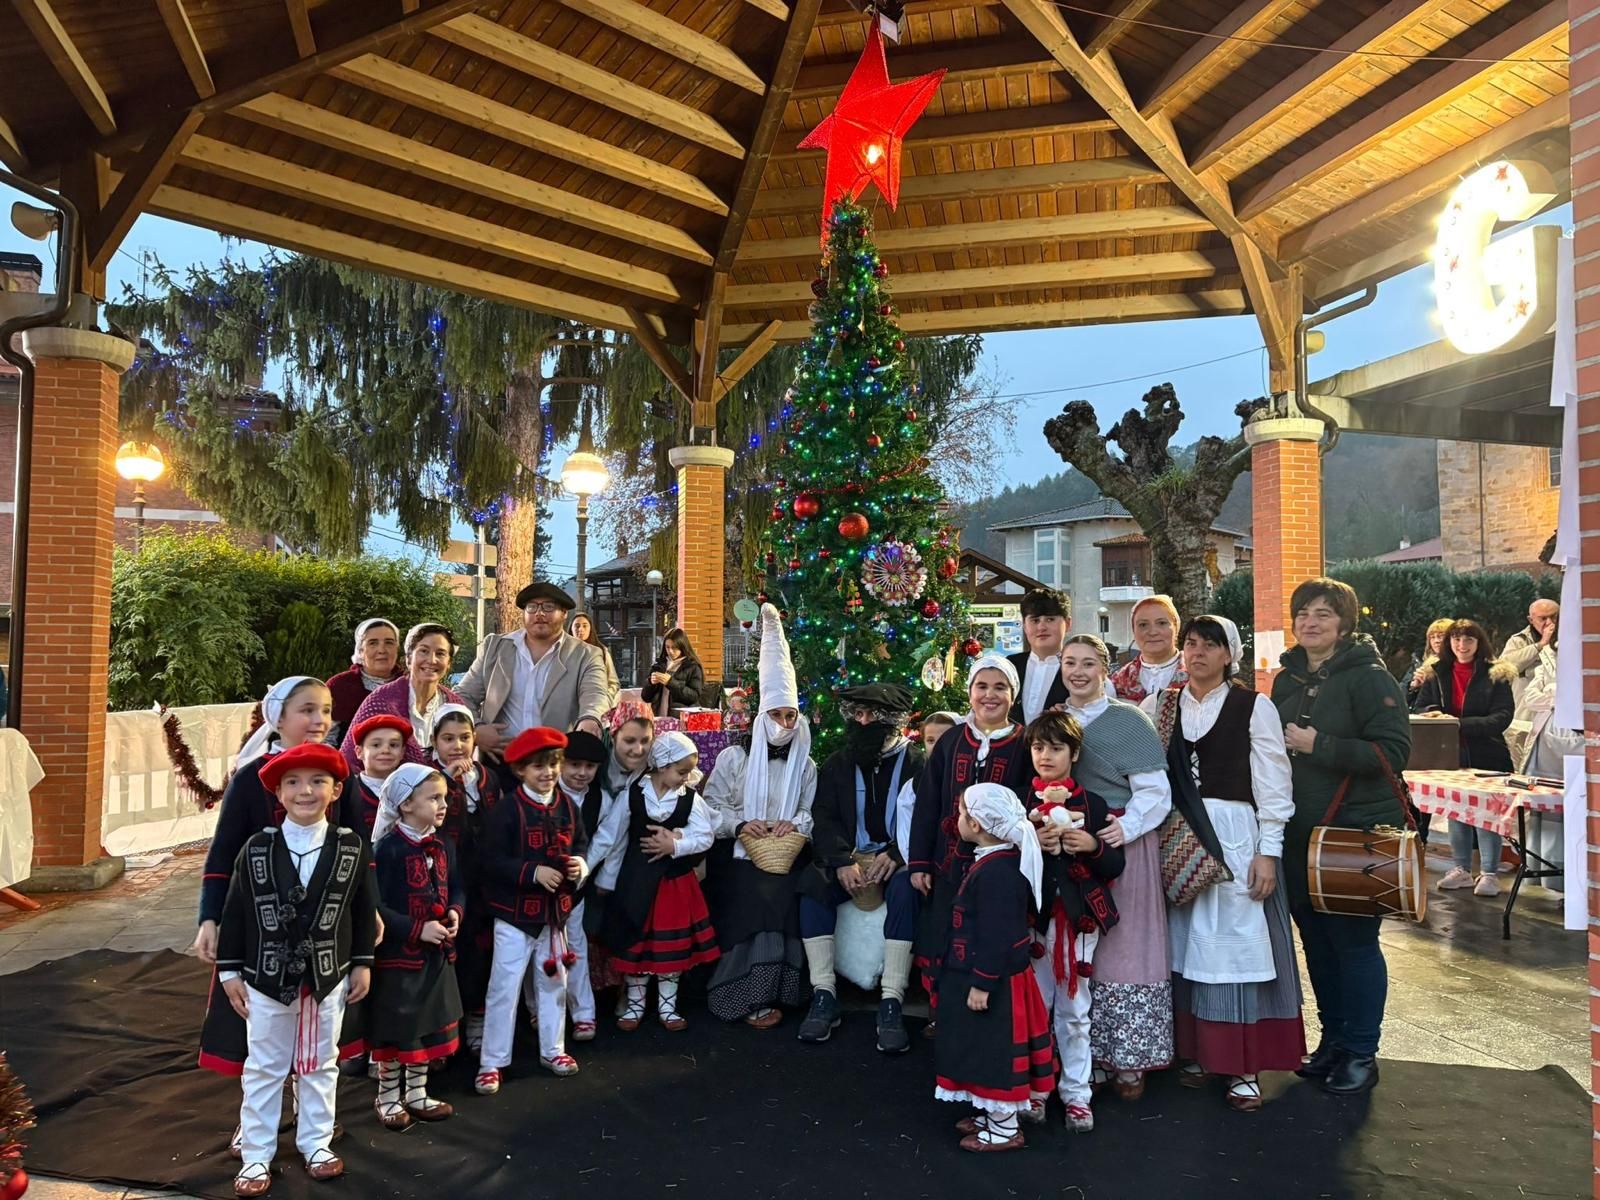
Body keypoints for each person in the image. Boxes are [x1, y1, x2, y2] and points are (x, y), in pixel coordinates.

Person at [1142, 616, 1304, 1112]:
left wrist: (1268, 851)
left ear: (1229, 655)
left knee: (1233, 952)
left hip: (1234, 839)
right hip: (1175, 840)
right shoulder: (1160, 705)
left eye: (1209, 646)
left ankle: (1242, 1065)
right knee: (1183, 949)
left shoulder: (1254, 707)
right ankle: (1193, 1052)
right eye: (1190, 644)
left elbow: (1274, 784)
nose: (1197, 654)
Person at [214, 743, 377, 1196]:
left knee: (321, 1061)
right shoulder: (257, 848)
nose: (305, 790)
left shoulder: (350, 847)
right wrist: (230, 972)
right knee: (265, 1064)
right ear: (278, 794)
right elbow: (237, 912)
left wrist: (362, 962)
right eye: (293, 782)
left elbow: (363, 911)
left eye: (317, 781)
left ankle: (316, 1142)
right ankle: (257, 1153)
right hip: (265, 977)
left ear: (336, 789)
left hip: (328, 976)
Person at [1272, 577, 1410, 1096]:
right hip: (1298, 833)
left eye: (1324, 614)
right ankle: (1332, 1042)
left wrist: (1319, 744)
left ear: (1345, 623)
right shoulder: (1285, 680)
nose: (1311, 621)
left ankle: (1361, 1052)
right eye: (1304, 612)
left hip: (1352, 834)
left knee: (1354, 946)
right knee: (1317, 945)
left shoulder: (1370, 677)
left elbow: (1393, 753)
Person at [1059, 634, 1173, 1100]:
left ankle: (1129, 1057)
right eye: (1070, 663)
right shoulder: (1055, 722)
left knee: (1126, 947)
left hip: (1123, 844)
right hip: (1070, 846)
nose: (1078, 672)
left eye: (1089, 663)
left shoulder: (1129, 720)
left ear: (1106, 670)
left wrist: (1122, 831)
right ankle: (1088, 1054)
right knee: (1084, 949)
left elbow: (1155, 792)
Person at [704, 605, 817, 1029]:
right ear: (761, 716)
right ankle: (743, 992)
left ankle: (783, 991)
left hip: (786, 855)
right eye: (776, 715)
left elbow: (809, 809)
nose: (785, 724)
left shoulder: (805, 765)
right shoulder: (735, 758)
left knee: (785, 896)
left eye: (790, 716)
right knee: (754, 899)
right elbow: (711, 808)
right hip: (737, 854)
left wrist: (795, 826)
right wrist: (740, 824)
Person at [909, 655, 1032, 1032]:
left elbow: (1029, 800)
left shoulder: (1024, 743)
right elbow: (928, 802)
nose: (990, 695)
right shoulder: (950, 740)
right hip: (947, 863)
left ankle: (990, 1014)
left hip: (999, 868)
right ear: (969, 691)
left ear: (1014, 694)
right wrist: (919, 863)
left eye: (1000, 688)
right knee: (946, 934)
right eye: (982, 686)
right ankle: (944, 1012)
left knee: (988, 933)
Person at [798, 682, 924, 1050]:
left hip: (896, 859)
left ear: (893, 721)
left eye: (871, 715)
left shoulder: (919, 764)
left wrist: (899, 855)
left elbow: (927, 821)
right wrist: (839, 861)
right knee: (813, 883)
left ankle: (892, 999)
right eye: (857, 714)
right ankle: (824, 994)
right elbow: (824, 816)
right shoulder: (839, 762)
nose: (862, 721)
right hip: (850, 858)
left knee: (905, 889)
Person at [932, 783, 1055, 1154]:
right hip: (976, 975)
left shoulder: (998, 873)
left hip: (995, 985)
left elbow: (997, 934)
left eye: (964, 812)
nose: (958, 818)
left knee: (994, 1052)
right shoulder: (989, 861)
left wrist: (982, 982)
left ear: (980, 824)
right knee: (977, 1046)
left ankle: (1004, 1127)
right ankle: (990, 1113)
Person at [1021, 712, 1122, 1133]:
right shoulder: (1019, 801)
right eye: (1038, 747)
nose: (1045, 756)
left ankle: (1077, 1094)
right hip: (1034, 923)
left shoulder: (1093, 805)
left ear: (1074, 754)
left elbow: (1115, 861)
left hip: (1078, 924)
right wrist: (1030, 842)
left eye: (1056, 748)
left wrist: (1092, 844)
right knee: (1036, 1006)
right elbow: (998, 857)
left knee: (1075, 1010)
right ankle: (1037, 1089)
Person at [195, 676, 336, 971]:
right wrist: (209, 917)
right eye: (307, 710)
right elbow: (223, 853)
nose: (319, 720)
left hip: (325, 919)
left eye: (326, 710)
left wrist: (369, 909)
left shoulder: (336, 775)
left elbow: (359, 849)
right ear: (279, 718)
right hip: (261, 918)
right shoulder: (250, 779)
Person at [475, 727, 587, 1091]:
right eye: (538, 766)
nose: (548, 773)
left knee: (555, 982)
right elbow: (489, 860)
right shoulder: (507, 809)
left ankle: (553, 1049)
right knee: (504, 988)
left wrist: (580, 866)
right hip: (514, 915)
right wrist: (531, 872)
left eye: (553, 764)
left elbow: (581, 844)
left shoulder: (568, 805)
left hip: (555, 916)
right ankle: (492, 1061)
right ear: (520, 770)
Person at [598, 732, 719, 1032]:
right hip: (636, 883)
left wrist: (676, 844)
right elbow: (612, 837)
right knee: (636, 941)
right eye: (681, 771)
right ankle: (636, 1002)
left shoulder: (690, 799)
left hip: (673, 885)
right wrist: (602, 876)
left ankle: (668, 1004)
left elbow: (706, 835)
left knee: (671, 948)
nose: (686, 777)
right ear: (662, 765)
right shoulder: (633, 795)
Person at [367, 764, 463, 1130]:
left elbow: (457, 886)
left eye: (444, 798)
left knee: (427, 1022)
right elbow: (378, 906)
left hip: (435, 956)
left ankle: (417, 1092)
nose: (442, 805)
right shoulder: (387, 850)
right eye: (434, 798)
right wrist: (415, 929)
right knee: (398, 1027)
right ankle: (387, 1096)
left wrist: (455, 912)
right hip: (398, 957)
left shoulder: (444, 845)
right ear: (405, 804)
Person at [456, 583, 612, 768]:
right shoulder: (495, 647)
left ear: (564, 614)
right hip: (500, 759)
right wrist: (476, 728)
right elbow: (462, 695)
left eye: (548, 607)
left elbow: (595, 693)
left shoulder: (586, 654)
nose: (539, 613)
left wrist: (590, 718)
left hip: (555, 763)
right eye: (532, 607)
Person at [1414, 618, 1516, 897]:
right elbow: (1422, 705)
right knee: (1455, 811)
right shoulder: (1435, 672)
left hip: (1488, 753)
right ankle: (1461, 869)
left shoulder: (1496, 673)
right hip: (1448, 753)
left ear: (1478, 643)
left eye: (1468, 639)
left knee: (1487, 814)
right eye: (1456, 639)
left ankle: (1490, 873)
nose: (1462, 645)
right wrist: (1436, 715)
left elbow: (1503, 716)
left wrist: (1459, 723)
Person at [426, 703, 502, 1052]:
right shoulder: (427, 778)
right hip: (443, 874)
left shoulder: (486, 776)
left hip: (481, 875)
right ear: (435, 741)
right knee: (450, 951)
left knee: (480, 951)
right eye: (448, 738)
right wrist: (451, 783)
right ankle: (443, 1029)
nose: (457, 746)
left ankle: (477, 1019)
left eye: (464, 737)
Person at [582, 715, 655, 1012]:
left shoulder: (651, 773)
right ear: (614, 737)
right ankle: (587, 994)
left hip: (630, 859)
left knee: (623, 923)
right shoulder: (596, 768)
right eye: (629, 740)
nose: (637, 749)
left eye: (644, 741)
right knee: (589, 925)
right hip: (589, 851)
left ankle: (622, 989)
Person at [340, 624, 465, 772]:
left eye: (440, 653)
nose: (432, 660)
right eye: (423, 651)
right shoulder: (381, 701)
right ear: (409, 659)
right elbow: (349, 759)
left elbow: (465, 754)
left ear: (449, 663)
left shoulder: (455, 705)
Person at [553, 729, 608, 1042]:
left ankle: (584, 1013)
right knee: (542, 951)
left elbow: (605, 841)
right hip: (541, 886)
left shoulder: (601, 799)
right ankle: (539, 1009)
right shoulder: (545, 792)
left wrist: (582, 868)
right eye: (574, 764)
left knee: (576, 948)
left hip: (577, 886)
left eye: (589, 766)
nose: (581, 773)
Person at [1500, 599, 1558, 764]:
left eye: (1554, 617)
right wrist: (1540, 644)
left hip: (1556, 725)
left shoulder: (1569, 639)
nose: (1550, 623)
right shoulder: (1519, 641)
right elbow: (1505, 666)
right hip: (1524, 721)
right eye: (1543, 618)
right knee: (1521, 771)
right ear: (1531, 620)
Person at [326, 618, 403, 740]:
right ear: (361, 650)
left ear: (397, 649)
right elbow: (326, 738)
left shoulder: (409, 684)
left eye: (389, 643)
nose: (382, 650)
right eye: (373, 643)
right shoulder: (340, 686)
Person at [341, 715, 412, 839]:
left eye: (394, 745)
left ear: (402, 752)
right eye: (376, 745)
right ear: (359, 752)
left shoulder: (412, 791)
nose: (385, 750)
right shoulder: (347, 792)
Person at [1007, 587, 1070, 725]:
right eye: (1035, 620)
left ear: (1068, 623)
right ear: (1024, 626)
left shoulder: (1077, 669)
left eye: (1050, 619)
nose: (1041, 627)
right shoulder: (1009, 666)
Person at [1109, 595, 1187, 704]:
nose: (1153, 632)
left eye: (1162, 623)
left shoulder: (1197, 674)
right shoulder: (1118, 681)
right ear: (1134, 631)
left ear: (1176, 627)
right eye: (1143, 625)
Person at [642, 628, 706, 717]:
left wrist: (670, 682)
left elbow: (694, 696)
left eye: (674, 648)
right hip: (658, 718)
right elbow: (646, 697)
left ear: (682, 647)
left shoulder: (692, 667)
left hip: (681, 719)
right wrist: (650, 683)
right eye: (667, 647)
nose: (670, 651)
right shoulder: (659, 665)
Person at [570, 612, 621, 706]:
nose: (580, 629)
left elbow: (613, 682)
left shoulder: (601, 651)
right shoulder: (564, 653)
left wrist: (606, 700)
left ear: (590, 629)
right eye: (577, 626)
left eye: (585, 626)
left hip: (597, 705)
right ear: (571, 629)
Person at [1406, 618, 1454, 706]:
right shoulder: (1420, 664)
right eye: (1432, 637)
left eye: (1441, 636)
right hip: (1428, 717)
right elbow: (1402, 700)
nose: (1436, 641)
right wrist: (1414, 687)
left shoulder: (1461, 664)